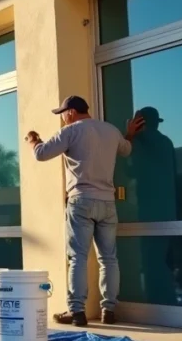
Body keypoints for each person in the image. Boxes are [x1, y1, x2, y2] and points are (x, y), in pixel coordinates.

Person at [25, 95, 143, 327]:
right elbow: (126, 149)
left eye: (62, 114)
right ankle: (108, 311)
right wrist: (129, 133)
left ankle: (77, 312)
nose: (63, 119)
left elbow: (41, 154)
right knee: (108, 258)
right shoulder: (110, 130)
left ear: (70, 112)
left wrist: (33, 139)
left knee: (77, 257)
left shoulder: (71, 131)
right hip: (107, 203)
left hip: (81, 201)